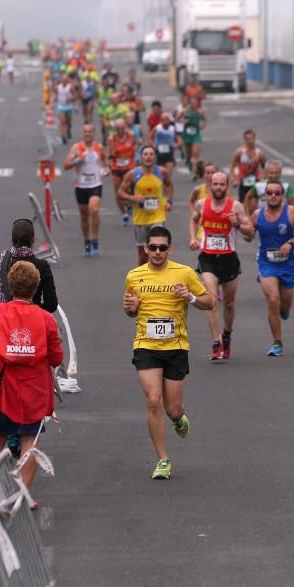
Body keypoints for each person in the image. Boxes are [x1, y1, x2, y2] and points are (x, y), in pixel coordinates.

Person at [123, 225, 213, 480]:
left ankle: (178, 418)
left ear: (170, 249)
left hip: (175, 346)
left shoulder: (184, 273)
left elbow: (210, 301)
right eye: (153, 247)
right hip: (146, 345)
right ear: (146, 249)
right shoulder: (134, 276)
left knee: (172, 409)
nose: (158, 252)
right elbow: (130, 310)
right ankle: (163, 459)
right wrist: (132, 307)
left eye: (163, 248)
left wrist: (190, 298)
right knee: (154, 401)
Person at [0, 261, 63, 489]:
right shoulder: (47, 320)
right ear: (36, 287)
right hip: (33, 394)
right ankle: (23, 497)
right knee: (29, 444)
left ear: (10, 285)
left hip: (2, 392)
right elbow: (56, 358)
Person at [189, 171, 254, 361]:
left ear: (227, 186)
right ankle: (216, 342)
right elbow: (193, 220)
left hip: (229, 259)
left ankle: (227, 334)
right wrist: (193, 238)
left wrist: (238, 225)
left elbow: (250, 234)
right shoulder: (202, 204)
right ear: (210, 186)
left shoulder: (236, 207)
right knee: (211, 299)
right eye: (215, 184)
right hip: (208, 258)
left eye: (221, 184)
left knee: (229, 303)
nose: (218, 187)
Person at [251, 181, 294, 357]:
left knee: (284, 305)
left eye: (277, 193)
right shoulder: (257, 215)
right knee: (273, 300)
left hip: (287, 265)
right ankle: (277, 343)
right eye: (270, 193)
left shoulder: (290, 212)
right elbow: (248, 235)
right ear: (265, 196)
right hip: (266, 263)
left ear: (282, 196)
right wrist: (238, 225)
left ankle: (284, 310)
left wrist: (290, 242)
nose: (273, 196)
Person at [0, 218, 58, 313]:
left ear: (12, 238)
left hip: (4, 321)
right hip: (31, 321)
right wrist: (33, 307)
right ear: (33, 239)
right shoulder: (41, 266)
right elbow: (51, 305)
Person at [117, 146, 173, 266]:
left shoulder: (162, 172)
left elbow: (169, 185)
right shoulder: (132, 174)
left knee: (158, 251)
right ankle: (141, 280)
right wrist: (134, 198)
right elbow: (120, 192)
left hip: (158, 217)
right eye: (145, 154)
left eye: (151, 154)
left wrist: (168, 201)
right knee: (143, 255)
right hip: (140, 219)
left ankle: (158, 279)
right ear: (141, 157)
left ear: (155, 157)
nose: (148, 157)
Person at [63, 124, 105, 256]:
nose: (88, 134)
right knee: (84, 215)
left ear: (94, 133)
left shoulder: (99, 147)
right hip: (81, 185)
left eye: (90, 131)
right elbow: (66, 166)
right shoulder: (76, 148)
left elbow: (107, 161)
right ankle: (87, 240)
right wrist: (77, 160)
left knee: (94, 210)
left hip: (96, 184)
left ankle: (95, 240)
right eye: (85, 131)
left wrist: (107, 169)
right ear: (83, 133)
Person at [107, 117, 139, 226]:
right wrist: (108, 165)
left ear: (125, 128)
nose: (119, 130)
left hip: (129, 167)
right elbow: (109, 154)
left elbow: (136, 147)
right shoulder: (112, 139)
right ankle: (123, 214)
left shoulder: (131, 136)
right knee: (118, 192)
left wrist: (137, 159)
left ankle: (129, 203)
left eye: (121, 128)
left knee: (130, 189)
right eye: (117, 128)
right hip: (117, 168)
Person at [229, 129, 266, 203]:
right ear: (245, 140)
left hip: (256, 181)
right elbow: (232, 166)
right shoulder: (240, 152)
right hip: (243, 181)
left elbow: (265, 166)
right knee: (243, 204)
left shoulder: (259, 153)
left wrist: (263, 178)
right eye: (247, 139)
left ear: (255, 138)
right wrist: (234, 179)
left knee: (254, 203)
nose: (250, 141)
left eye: (251, 138)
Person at [147, 112, 182, 178]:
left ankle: (167, 186)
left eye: (166, 119)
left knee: (168, 176)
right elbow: (150, 137)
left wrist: (177, 144)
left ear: (169, 120)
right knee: (160, 175)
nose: (165, 121)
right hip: (159, 153)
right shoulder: (158, 128)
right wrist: (152, 145)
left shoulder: (173, 129)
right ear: (161, 120)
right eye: (163, 120)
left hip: (169, 153)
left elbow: (178, 138)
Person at [182, 97, 207, 170]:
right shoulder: (186, 111)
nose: (193, 104)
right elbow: (181, 119)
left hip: (196, 134)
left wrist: (203, 125)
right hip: (187, 135)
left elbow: (204, 119)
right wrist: (184, 121)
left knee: (195, 153)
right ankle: (189, 161)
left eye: (195, 102)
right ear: (190, 103)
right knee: (189, 155)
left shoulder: (200, 111)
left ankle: (196, 171)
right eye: (192, 102)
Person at [56, 74, 78, 143]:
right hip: (61, 107)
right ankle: (63, 136)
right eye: (63, 80)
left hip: (68, 107)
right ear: (61, 80)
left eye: (65, 80)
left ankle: (68, 130)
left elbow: (75, 96)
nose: (64, 81)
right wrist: (54, 98)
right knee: (62, 122)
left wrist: (70, 98)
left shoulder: (70, 87)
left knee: (69, 123)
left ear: (67, 80)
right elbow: (55, 94)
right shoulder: (58, 87)